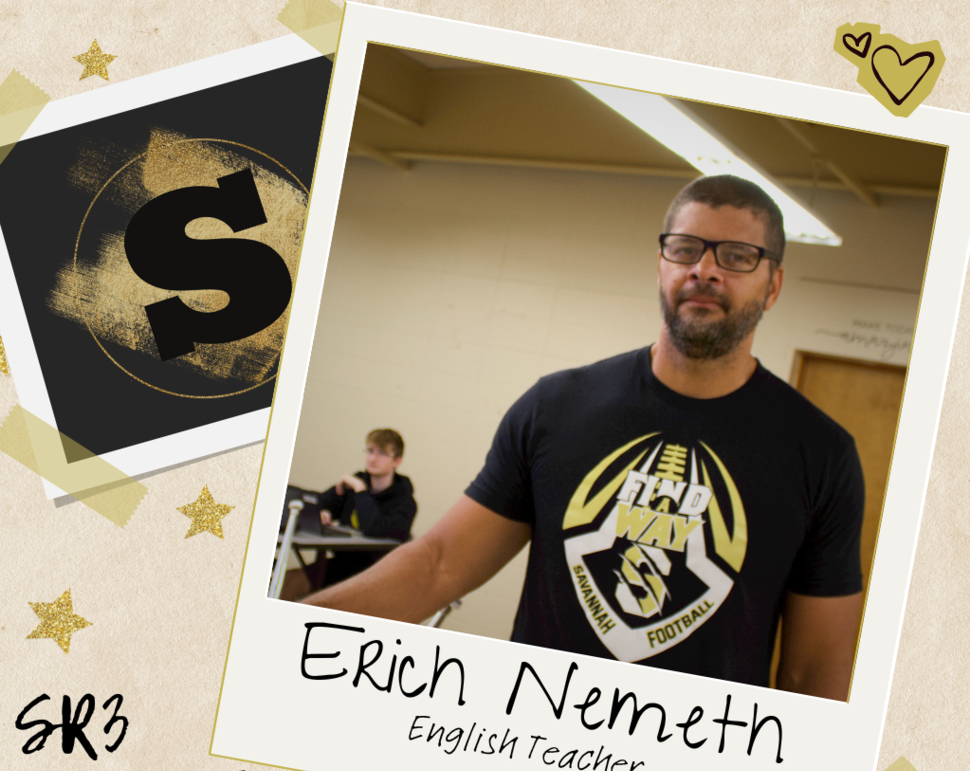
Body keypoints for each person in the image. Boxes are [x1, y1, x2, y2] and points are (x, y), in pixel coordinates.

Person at [304, 175, 865, 702]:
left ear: (774, 286)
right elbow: (439, 564)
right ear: (662, 264)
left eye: (738, 257)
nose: (705, 270)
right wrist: (283, 628)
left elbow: (812, 675)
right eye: (686, 248)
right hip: (528, 755)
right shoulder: (556, 407)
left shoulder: (821, 454)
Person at [280, 429, 417, 599]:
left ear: (397, 461)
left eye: (382, 453)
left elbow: (373, 527)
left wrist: (360, 490)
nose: (372, 458)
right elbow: (319, 502)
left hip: (374, 575)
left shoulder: (404, 502)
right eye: (370, 450)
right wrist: (324, 511)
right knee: (288, 580)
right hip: (342, 565)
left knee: (300, 585)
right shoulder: (357, 480)